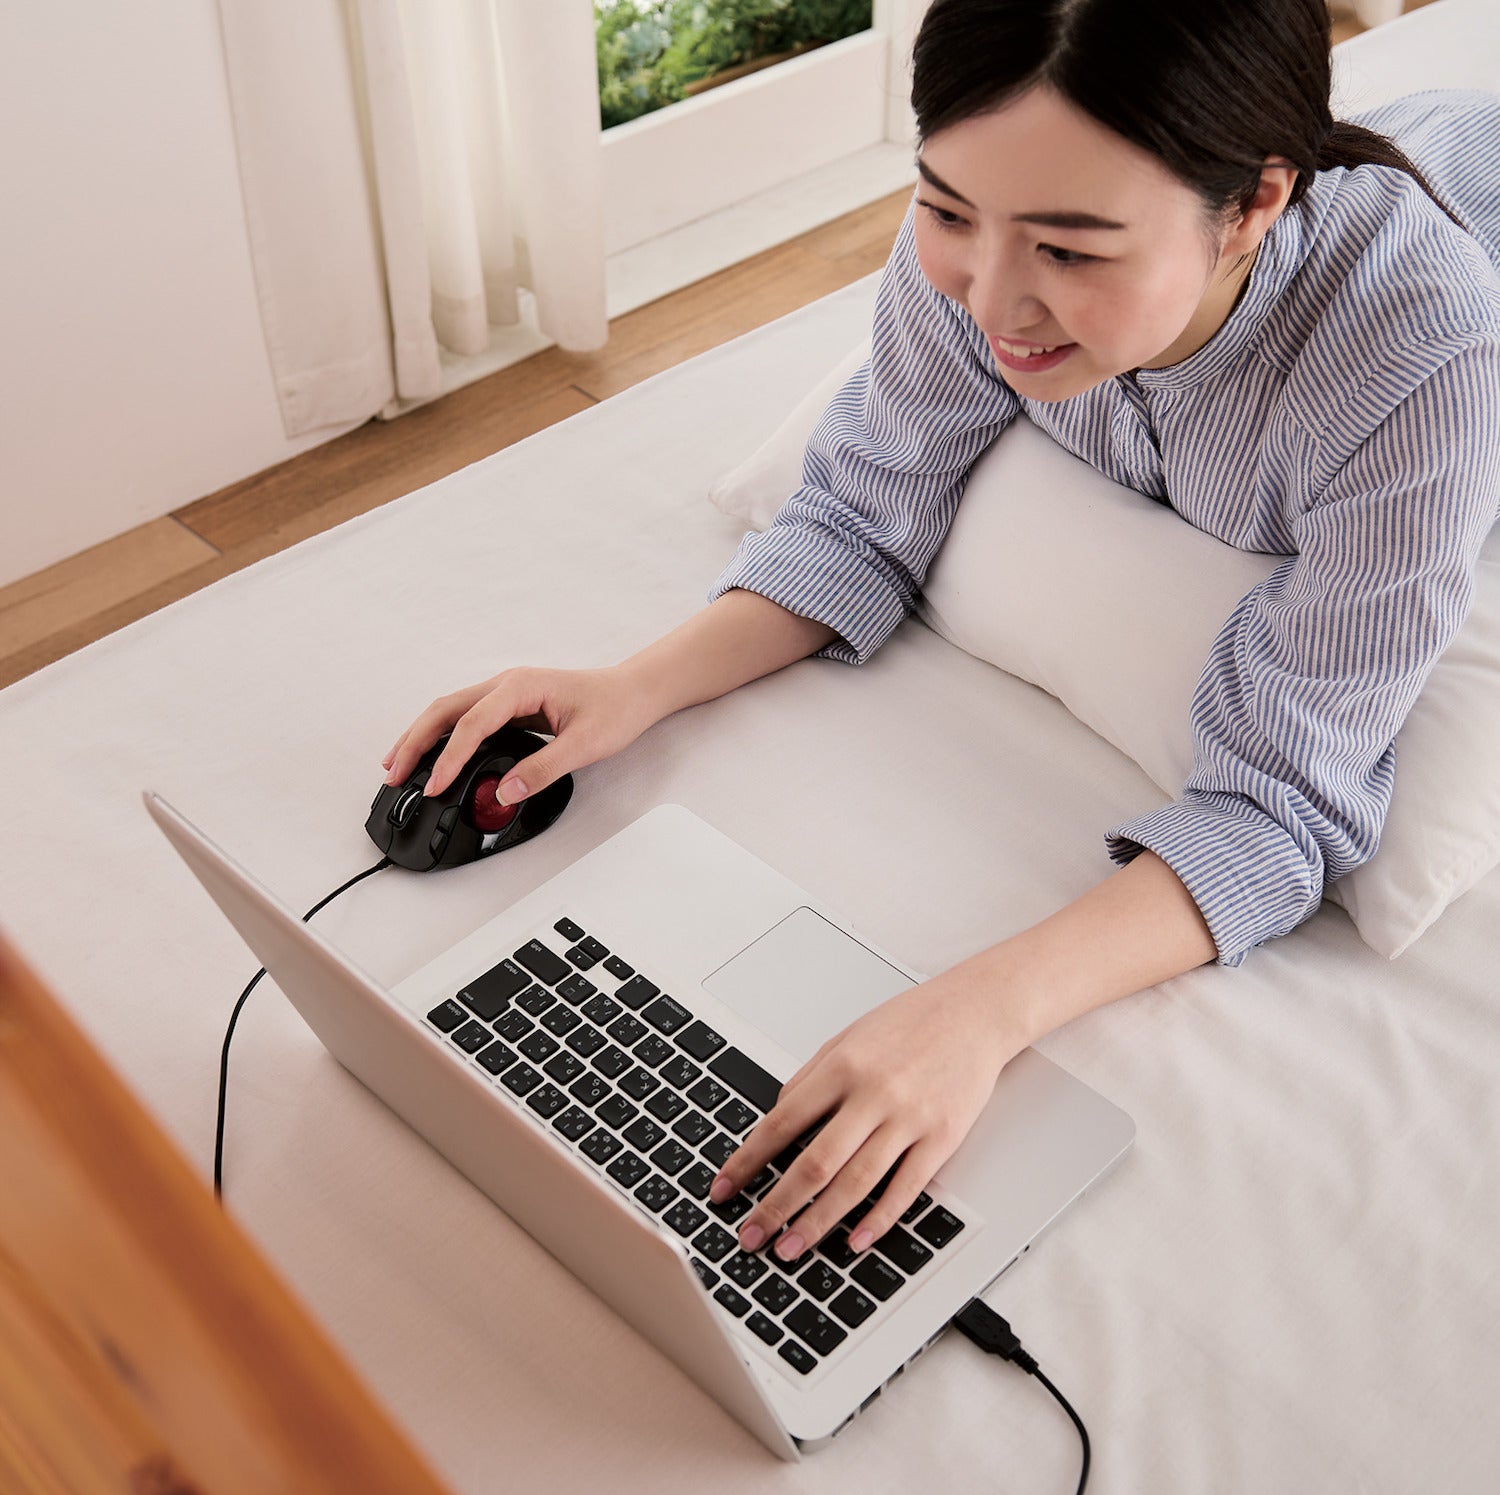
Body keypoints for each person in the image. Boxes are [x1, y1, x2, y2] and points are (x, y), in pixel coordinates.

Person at [381, 0, 1500, 1270]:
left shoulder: (1416, 358)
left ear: (1249, 210)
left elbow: (1281, 809)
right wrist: (628, 689)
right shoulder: (983, 241)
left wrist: (977, 1014)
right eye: (950, 210)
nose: (995, 298)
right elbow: (865, 506)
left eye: (1073, 253)